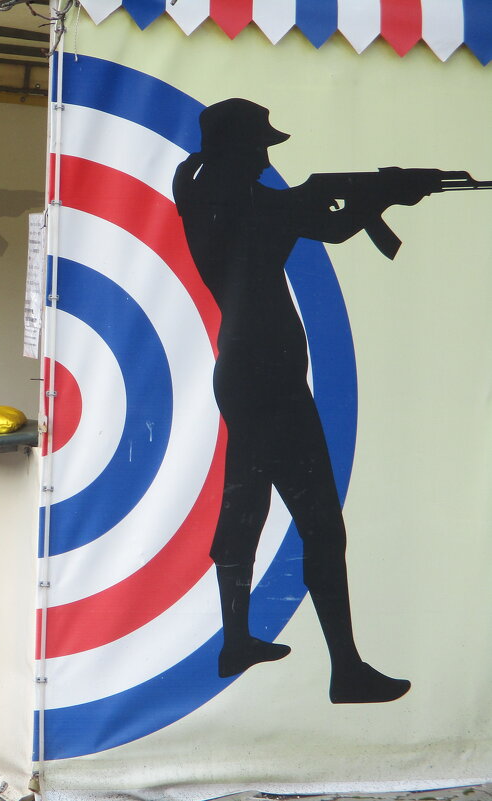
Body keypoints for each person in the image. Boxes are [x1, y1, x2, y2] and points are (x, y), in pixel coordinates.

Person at [173, 98, 438, 704]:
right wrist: (379, 198)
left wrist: (363, 194)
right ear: (238, 149)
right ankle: (347, 670)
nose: (269, 156)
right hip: (269, 380)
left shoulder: (196, 188)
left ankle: (236, 639)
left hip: (241, 370)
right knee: (321, 523)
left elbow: (292, 206)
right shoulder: (253, 205)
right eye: (260, 145)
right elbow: (332, 227)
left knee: (245, 505)